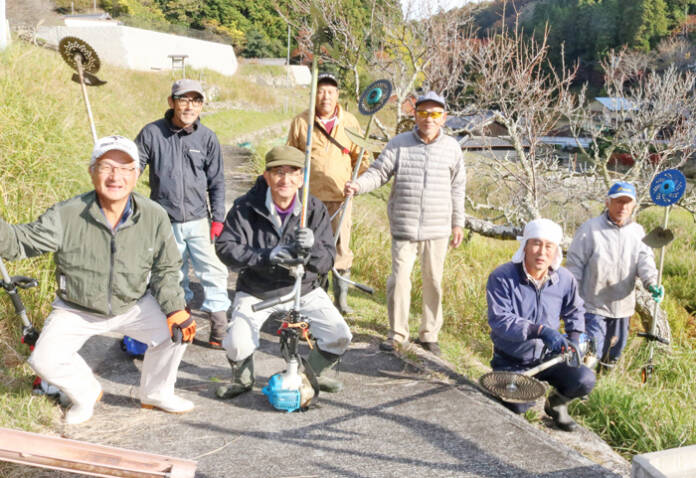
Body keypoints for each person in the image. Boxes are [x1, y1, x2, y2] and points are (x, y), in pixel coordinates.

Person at [0, 136, 196, 425]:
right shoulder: (66, 214)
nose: (116, 176)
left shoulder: (154, 215)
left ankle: (156, 393)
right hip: (76, 308)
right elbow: (19, 242)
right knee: (43, 360)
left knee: (178, 332)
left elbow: (166, 268)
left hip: (133, 304)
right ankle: (86, 394)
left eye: (125, 168)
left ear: (136, 174)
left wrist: (175, 308)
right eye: (106, 167)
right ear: (92, 171)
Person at [214, 145, 353, 399]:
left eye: (292, 172)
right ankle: (242, 378)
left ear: (301, 178)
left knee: (339, 335)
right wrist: (264, 256)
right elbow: (225, 248)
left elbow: (327, 260)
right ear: (266, 176)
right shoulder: (245, 207)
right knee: (236, 342)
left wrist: (311, 249)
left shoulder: (314, 208)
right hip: (257, 290)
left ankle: (310, 375)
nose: (285, 179)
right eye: (278, 172)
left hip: (304, 288)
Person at [344, 91, 465, 357]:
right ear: (415, 115)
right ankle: (397, 334)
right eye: (423, 113)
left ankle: (429, 334)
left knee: (433, 281)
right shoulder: (399, 143)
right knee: (399, 280)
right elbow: (379, 172)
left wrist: (458, 223)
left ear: (444, 118)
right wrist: (358, 185)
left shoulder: (452, 148)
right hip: (404, 226)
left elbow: (458, 188)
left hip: (438, 228)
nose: (429, 118)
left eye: (435, 114)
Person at [135, 79, 231, 348]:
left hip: (200, 220)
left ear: (201, 105)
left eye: (196, 100)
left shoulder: (207, 138)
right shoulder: (152, 133)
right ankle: (181, 321)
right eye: (184, 99)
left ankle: (219, 326)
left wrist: (218, 219)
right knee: (173, 274)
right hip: (165, 221)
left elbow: (217, 182)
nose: (190, 106)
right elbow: (133, 168)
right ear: (171, 102)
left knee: (213, 272)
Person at [486, 218, 596, 431]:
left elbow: (575, 311)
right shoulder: (502, 277)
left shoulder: (564, 279)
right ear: (525, 246)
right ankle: (510, 390)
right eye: (536, 244)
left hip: (549, 357)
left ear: (556, 251)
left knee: (584, 379)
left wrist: (575, 337)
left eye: (548, 246)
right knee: (519, 405)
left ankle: (556, 404)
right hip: (511, 359)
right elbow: (500, 320)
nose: (542, 252)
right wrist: (539, 331)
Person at [287, 72, 366, 315]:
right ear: (314, 93)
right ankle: (315, 296)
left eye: (330, 91)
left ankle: (341, 301)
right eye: (321, 91)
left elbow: (361, 157)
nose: (325, 96)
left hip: (341, 198)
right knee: (312, 246)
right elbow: (291, 157)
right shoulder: (302, 122)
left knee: (341, 248)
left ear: (337, 94)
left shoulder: (350, 122)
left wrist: (358, 183)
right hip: (310, 199)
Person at [566, 181, 662, 370]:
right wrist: (572, 300)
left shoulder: (637, 232)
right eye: (618, 201)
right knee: (591, 354)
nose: (623, 207)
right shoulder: (590, 229)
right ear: (608, 202)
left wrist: (652, 283)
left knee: (614, 354)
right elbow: (574, 265)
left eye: (627, 202)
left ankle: (604, 384)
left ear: (634, 205)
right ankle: (583, 384)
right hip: (593, 306)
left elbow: (645, 261)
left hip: (623, 308)